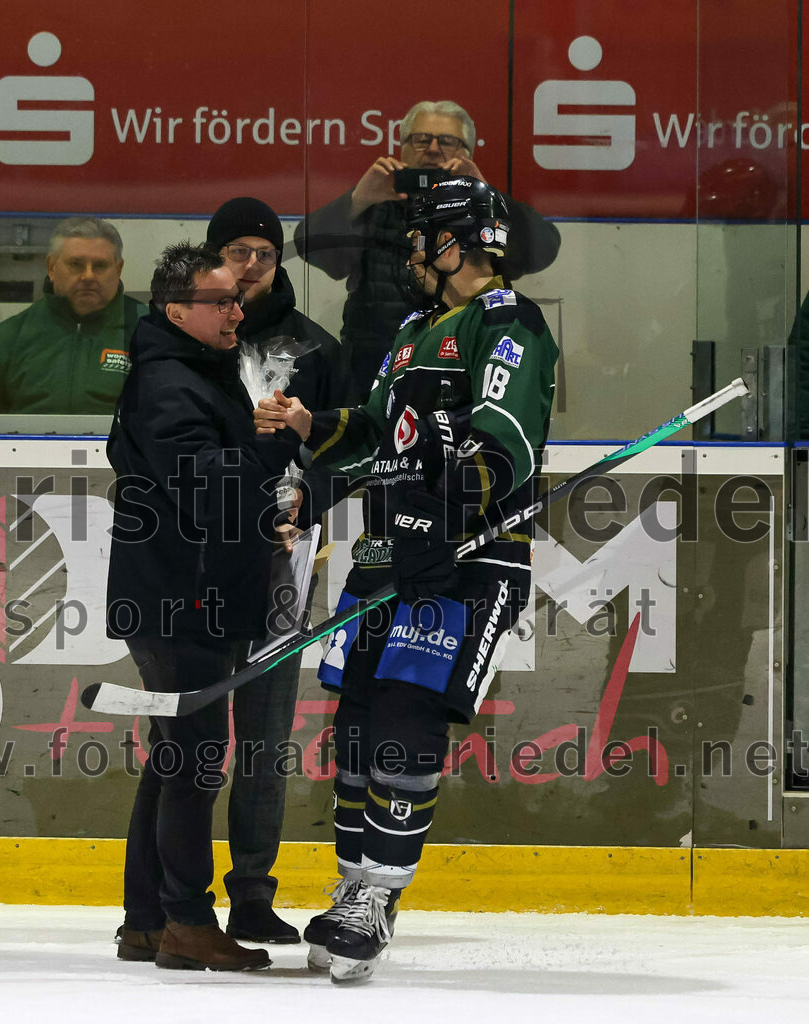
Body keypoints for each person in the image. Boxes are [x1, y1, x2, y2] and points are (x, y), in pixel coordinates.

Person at [257, 177, 559, 982]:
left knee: (405, 720)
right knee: (356, 725)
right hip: (388, 555)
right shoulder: (413, 330)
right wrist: (313, 434)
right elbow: (378, 434)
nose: (412, 254)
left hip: (467, 560)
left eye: (423, 238)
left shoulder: (508, 322)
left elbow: (502, 442)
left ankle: (378, 896)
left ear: (458, 243)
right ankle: (352, 881)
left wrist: (441, 514)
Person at [106, 242, 301, 971]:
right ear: (176, 309)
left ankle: (146, 919)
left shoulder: (196, 371)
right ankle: (186, 922)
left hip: (187, 594)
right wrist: (273, 446)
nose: (236, 312)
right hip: (179, 600)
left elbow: (213, 485)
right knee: (193, 763)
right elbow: (207, 485)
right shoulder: (168, 383)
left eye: (236, 301)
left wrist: (266, 500)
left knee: (174, 758)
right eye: (220, 301)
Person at [205, 198, 349, 942]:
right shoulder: (189, 338)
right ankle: (175, 897)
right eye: (238, 250)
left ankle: (253, 893)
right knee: (192, 731)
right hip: (199, 554)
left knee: (264, 733)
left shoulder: (316, 349)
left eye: (265, 252)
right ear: (214, 257)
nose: (252, 265)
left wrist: (309, 499)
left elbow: (350, 449)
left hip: (285, 558)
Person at [293, 99, 561, 401]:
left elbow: (544, 249)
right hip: (376, 366)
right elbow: (308, 245)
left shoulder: (486, 214)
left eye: (446, 141)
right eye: (421, 139)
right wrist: (358, 200)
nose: (433, 149)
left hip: (463, 360)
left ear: (468, 154)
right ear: (402, 148)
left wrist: (484, 192)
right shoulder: (376, 206)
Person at [0, 217, 146, 414]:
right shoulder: (9, 338)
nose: (88, 276)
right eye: (76, 264)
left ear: (118, 270)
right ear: (51, 267)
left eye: (100, 266)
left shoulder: (153, 333)